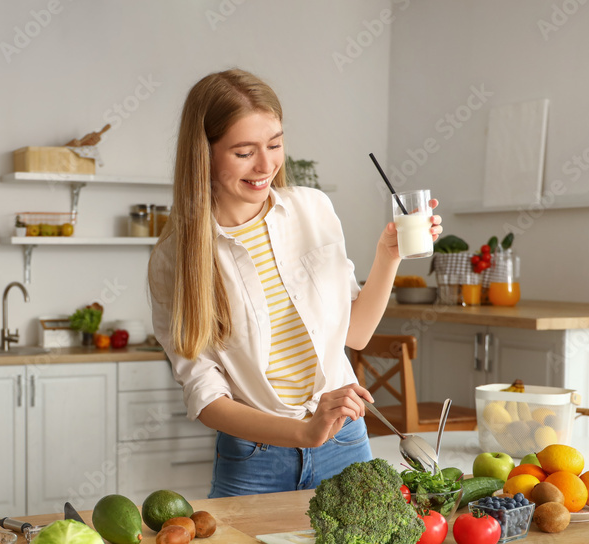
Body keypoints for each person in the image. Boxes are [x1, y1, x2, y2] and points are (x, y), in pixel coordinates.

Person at [147, 69, 442, 498]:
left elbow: (355, 334)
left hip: (345, 441)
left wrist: (388, 255)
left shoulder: (313, 210)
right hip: (254, 460)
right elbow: (207, 399)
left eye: (275, 144)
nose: (266, 166)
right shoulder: (177, 259)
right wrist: (303, 432)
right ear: (204, 154)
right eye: (245, 152)